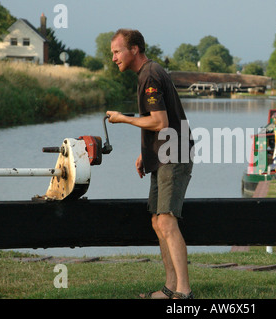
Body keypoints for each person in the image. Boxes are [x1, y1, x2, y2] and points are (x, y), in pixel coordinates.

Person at [107, 29, 195, 299]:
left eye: (117, 51)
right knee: (158, 221)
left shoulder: (150, 75)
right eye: (112, 53)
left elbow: (160, 122)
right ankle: (170, 288)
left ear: (134, 49)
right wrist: (145, 153)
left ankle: (184, 293)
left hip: (174, 156)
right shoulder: (148, 73)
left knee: (167, 222)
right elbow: (158, 124)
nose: (114, 58)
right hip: (162, 155)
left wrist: (123, 118)